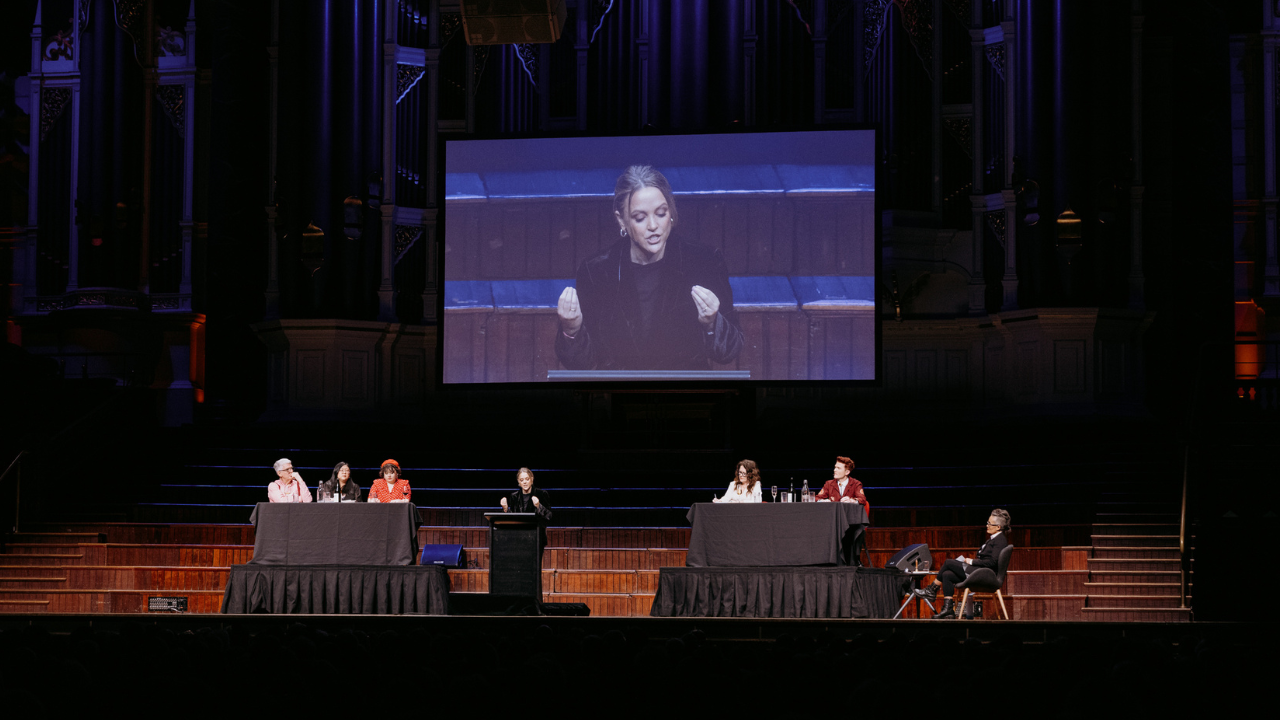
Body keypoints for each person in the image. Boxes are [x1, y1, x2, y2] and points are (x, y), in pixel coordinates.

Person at [554, 165, 745, 371]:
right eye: (640, 218)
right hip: (621, 395)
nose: (653, 225)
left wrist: (712, 323)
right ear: (622, 220)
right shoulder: (596, 270)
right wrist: (571, 330)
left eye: (661, 213)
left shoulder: (704, 261)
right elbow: (583, 364)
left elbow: (729, 353)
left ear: (671, 212)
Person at [915, 509, 1011, 619]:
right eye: (987, 522)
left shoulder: (1000, 540)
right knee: (947, 574)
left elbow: (992, 562)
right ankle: (948, 610)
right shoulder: (994, 538)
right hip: (979, 570)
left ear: (998, 527)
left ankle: (931, 590)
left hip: (986, 574)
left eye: (989, 523)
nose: (987, 525)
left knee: (948, 562)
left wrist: (972, 561)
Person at [499, 467, 552, 558]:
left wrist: (539, 506)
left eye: (527, 479)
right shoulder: (514, 497)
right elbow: (513, 518)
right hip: (518, 538)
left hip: (536, 538)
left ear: (532, 479)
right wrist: (506, 509)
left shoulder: (541, 494)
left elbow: (549, 515)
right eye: (521, 480)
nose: (524, 482)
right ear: (518, 482)